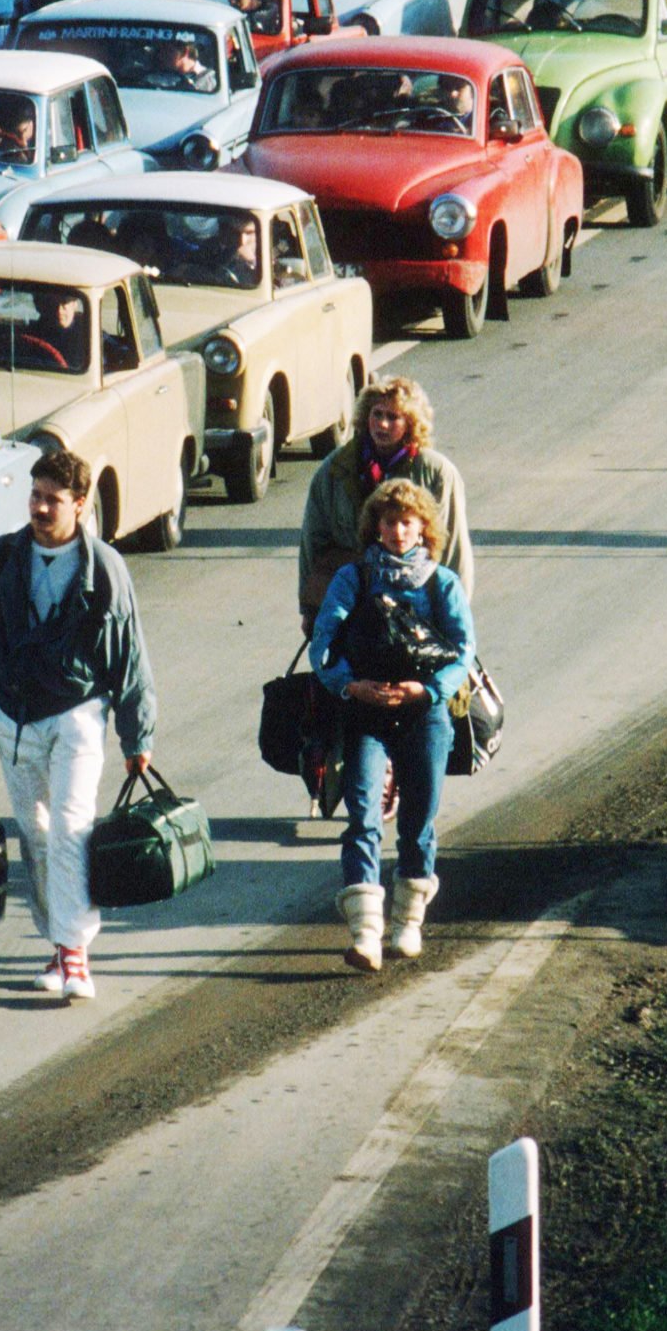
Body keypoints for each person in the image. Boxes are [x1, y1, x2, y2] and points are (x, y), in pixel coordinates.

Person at [0, 448, 157, 1003]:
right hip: (12, 718)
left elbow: (129, 657)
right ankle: (59, 946)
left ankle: (76, 956)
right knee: (35, 837)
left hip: (77, 714)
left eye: (52, 499)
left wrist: (138, 737)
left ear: (80, 505)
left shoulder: (105, 567)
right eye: (35, 495)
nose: (39, 507)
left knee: (69, 828)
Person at [308, 478, 475, 971]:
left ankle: (408, 924)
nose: (398, 531)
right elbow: (323, 642)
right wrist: (349, 686)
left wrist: (426, 690)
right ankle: (365, 934)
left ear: (424, 527)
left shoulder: (441, 583)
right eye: (388, 521)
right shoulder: (353, 579)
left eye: (407, 521)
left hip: (425, 716)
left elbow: (463, 653)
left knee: (417, 822)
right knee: (361, 814)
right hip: (365, 714)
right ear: (374, 527)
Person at [298, 375, 473, 632]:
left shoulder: (436, 473)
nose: (382, 423)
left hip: (416, 604)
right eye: (376, 414)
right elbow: (312, 541)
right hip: (351, 602)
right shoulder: (336, 469)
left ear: (411, 423)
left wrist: (455, 615)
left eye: (393, 417)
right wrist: (310, 609)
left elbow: (453, 550)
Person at [140, 36, 217, 93]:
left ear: (185, 51)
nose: (161, 56)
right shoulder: (152, 78)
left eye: (167, 51)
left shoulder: (211, 81)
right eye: (159, 50)